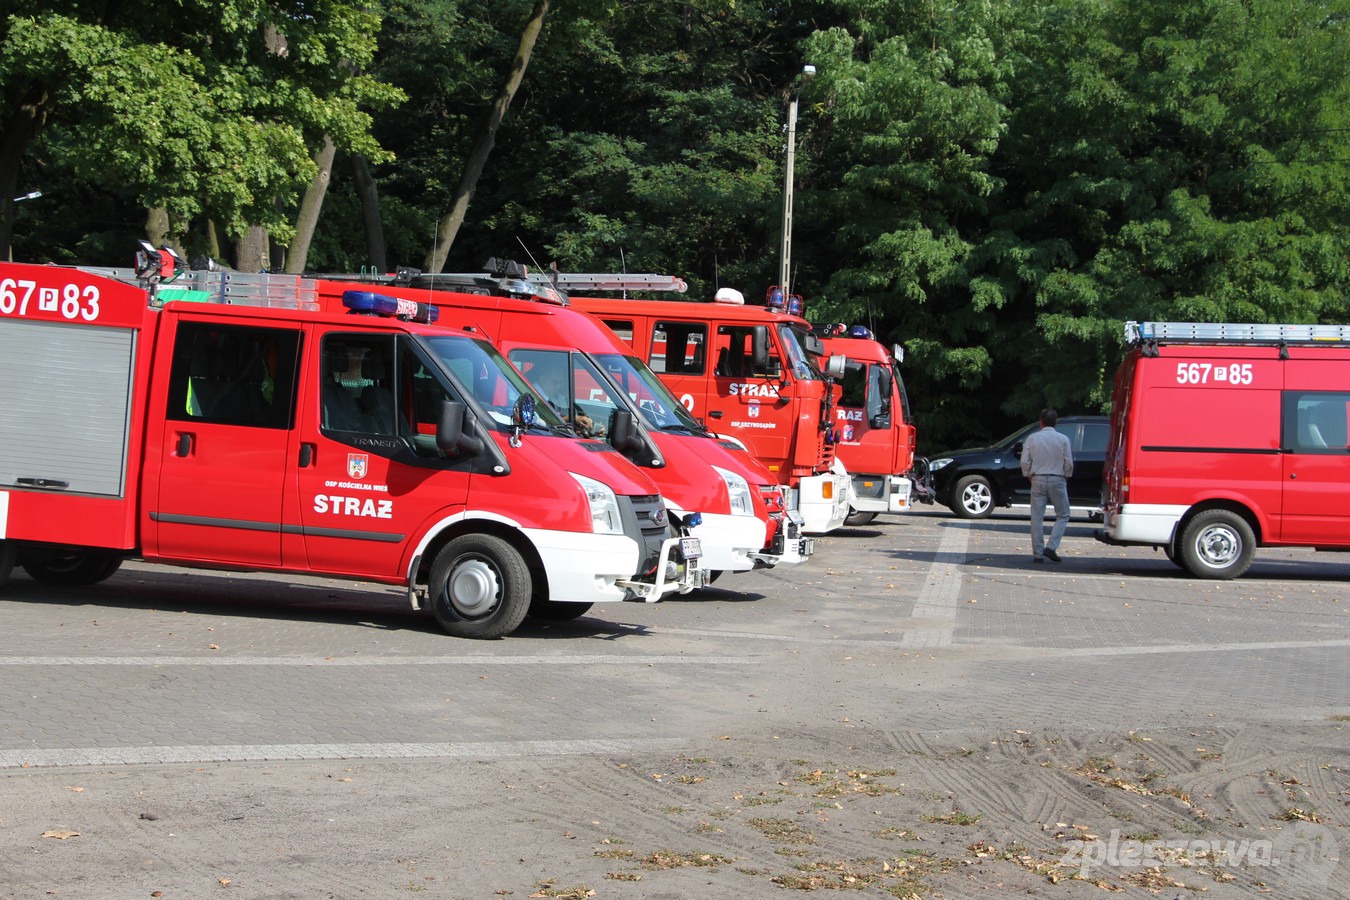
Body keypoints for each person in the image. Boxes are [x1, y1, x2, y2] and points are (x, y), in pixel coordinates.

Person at [1020, 407, 1073, 563]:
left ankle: (1038, 553)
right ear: (1056, 423)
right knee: (1063, 514)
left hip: (1038, 478)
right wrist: (1066, 476)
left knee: (1037, 517)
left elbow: (1024, 461)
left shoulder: (1032, 438)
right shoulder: (1063, 439)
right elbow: (1068, 462)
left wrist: (1028, 474)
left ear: (1041, 421)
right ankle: (1051, 546)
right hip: (1058, 478)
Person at [534, 365, 600, 437]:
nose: (558, 387)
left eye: (560, 384)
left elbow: (559, 413)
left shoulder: (547, 397)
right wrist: (574, 419)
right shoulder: (532, 396)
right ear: (543, 380)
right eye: (556, 383)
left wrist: (593, 427)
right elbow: (544, 423)